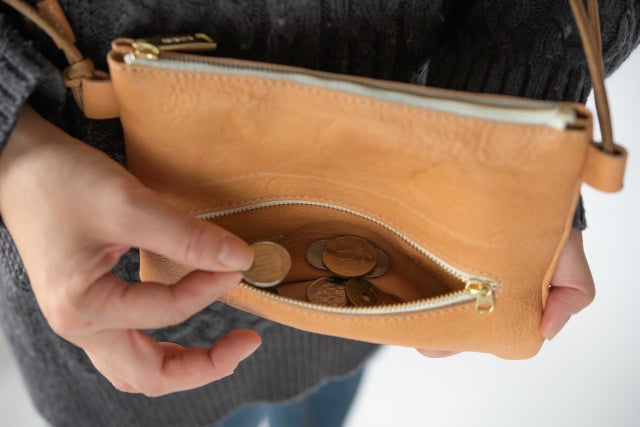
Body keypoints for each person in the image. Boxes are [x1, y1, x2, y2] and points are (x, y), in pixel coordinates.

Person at [0, 1, 638, 426]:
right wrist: (17, 155)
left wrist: (511, 122)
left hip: (385, 269)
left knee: (323, 399)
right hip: (99, 288)